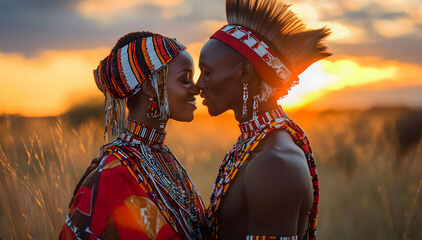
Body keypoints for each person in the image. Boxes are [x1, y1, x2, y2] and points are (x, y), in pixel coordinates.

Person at [196, 0, 331, 239]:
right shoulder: (255, 145)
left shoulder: (275, 163)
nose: (199, 85)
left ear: (245, 73)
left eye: (207, 72)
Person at [59, 31, 207, 240]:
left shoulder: (161, 156)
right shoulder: (113, 173)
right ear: (149, 86)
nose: (196, 89)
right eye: (184, 79)